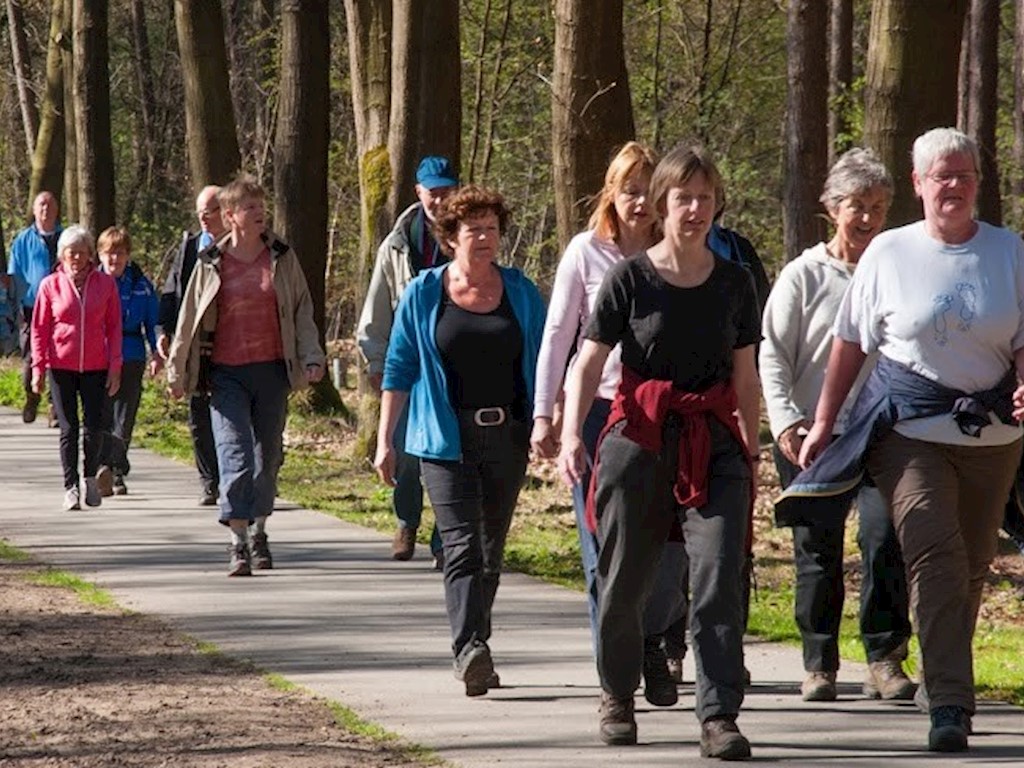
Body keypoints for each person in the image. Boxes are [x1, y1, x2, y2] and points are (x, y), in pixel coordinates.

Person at [786, 128, 1024, 753]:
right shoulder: (889, 254)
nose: (954, 186)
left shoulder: (1009, 252)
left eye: (964, 174)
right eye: (941, 175)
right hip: (908, 430)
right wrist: (822, 424)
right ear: (918, 185)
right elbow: (849, 343)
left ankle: (945, 671)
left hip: (994, 435)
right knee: (935, 557)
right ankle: (949, 702)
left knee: (972, 565)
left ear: (978, 181)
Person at [557, 143, 760, 758]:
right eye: (682, 198)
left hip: (714, 442)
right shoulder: (630, 278)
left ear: (716, 203)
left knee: (721, 574)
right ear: (662, 205)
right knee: (624, 579)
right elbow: (587, 362)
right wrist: (570, 433)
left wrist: (750, 451)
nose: (694, 209)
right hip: (639, 437)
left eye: (704, 198)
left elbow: (745, 375)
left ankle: (719, 714)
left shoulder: (735, 282)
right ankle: (618, 695)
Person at [374, 185, 545, 697]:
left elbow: (545, 358)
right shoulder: (424, 292)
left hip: (507, 436)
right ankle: (468, 647)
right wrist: (386, 441)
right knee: (462, 545)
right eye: (474, 230)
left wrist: (547, 421)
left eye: (492, 228)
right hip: (442, 439)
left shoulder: (521, 292)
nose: (485, 238)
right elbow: (398, 368)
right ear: (451, 238)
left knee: (491, 548)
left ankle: (478, 644)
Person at [760, 148, 914, 703]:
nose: (868, 218)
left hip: (884, 432)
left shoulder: (897, 270)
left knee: (883, 539)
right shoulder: (804, 275)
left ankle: (884, 657)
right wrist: (786, 423)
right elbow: (772, 355)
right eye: (857, 206)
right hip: (810, 435)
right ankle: (819, 662)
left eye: (878, 206)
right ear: (831, 208)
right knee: (817, 550)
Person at [530, 141, 680, 707]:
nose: (640, 202)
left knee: (665, 548)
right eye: (629, 190)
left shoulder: (676, 252)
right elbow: (557, 338)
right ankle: (615, 678)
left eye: (648, 190)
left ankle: (649, 640)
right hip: (595, 412)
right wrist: (547, 414)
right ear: (611, 195)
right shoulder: (585, 252)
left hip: (659, 413)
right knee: (603, 548)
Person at [166, 175, 326, 577]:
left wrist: (312, 356)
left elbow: (302, 310)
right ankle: (237, 543)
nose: (259, 213)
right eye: (249, 207)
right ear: (230, 216)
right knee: (233, 454)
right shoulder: (210, 263)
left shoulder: (282, 258)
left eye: (261, 206)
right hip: (225, 374)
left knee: (266, 458)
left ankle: (260, 531)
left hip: (272, 370)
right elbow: (187, 320)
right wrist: (176, 371)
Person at [358, 156, 456, 566]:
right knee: (407, 452)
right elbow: (377, 306)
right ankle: (406, 521)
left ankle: (443, 538)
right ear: (418, 192)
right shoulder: (397, 243)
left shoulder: (466, 236)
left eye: (445, 190)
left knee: (452, 452)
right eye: (431, 191)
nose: (438, 198)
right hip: (409, 361)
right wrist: (374, 357)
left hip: (454, 359)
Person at [30, 225, 122, 511]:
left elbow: (115, 327)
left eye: (82, 253)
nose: (77, 258)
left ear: (90, 255)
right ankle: (70, 486)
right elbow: (39, 329)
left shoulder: (105, 284)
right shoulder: (50, 285)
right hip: (61, 365)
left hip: (95, 366)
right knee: (69, 428)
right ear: (62, 255)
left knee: (94, 427)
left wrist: (115, 365)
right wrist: (38, 368)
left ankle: (90, 478)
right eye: (72, 253)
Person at [158, 186, 226, 506]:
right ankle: (209, 481)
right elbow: (172, 294)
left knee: (229, 412)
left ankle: (233, 475)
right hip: (195, 347)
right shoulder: (189, 248)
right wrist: (163, 331)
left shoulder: (238, 249)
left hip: (229, 342)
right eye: (200, 211)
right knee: (198, 414)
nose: (203, 217)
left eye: (209, 210)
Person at [95, 227, 163, 496]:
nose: (115, 259)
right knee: (101, 414)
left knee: (124, 418)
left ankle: (115, 470)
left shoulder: (141, 285)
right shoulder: (92, 282)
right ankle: (100, 465)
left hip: (131, 355)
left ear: (128, 255)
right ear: (100, 255)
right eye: (109, 253)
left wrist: (157, 353)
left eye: (120, 253)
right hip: (98, 357)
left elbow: (153, 322)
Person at [9, 191, 62, 424]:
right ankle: (32, 396)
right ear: (33, 209)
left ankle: (55, 406)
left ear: (57, 210)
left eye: (50, 205)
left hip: (61, 306)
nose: (45, 210)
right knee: (32, 355)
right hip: (31, 307)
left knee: (59, 355)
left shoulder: (66, 237)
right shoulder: (23, 240)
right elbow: (15, 274)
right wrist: (17, 304)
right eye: (41, 205)